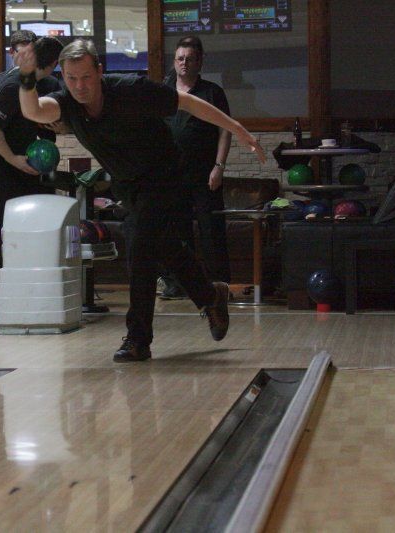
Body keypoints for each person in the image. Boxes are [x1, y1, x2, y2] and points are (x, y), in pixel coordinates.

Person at [17, 39, 266, 362]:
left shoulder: (130, 90)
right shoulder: (67, 103)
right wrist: (26, 77)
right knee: (165, 246)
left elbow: (188, 103)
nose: (80, 86)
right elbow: (33, 110)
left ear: (99, 71)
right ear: (63, 77)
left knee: (140, 248)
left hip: (165, 176)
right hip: (128, 185)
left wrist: (237, 128)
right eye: (72, 78)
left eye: (86, 77)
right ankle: (210, 294)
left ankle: (138, 339)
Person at [0, 36, 64, 311]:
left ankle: (19, 290)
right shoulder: (14, 84)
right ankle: (0, 295)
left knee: (25, 226)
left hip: (24, 162)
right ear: (54, 63)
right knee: (1, 226)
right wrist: (11, 159)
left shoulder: (46, 84)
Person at [159, 36, 232, 300]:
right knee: (177, 233)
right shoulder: (164, 92)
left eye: (189, 59)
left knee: (211, 230)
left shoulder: (212, 92)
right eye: (180, 58)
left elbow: (226, 130)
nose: (184, 63)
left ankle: (219, 286)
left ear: (200, 62)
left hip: (205, 175)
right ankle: (180, 285)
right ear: (174, 61)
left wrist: (219, 166)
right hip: (171, 176)